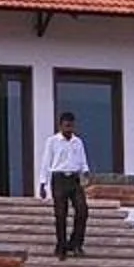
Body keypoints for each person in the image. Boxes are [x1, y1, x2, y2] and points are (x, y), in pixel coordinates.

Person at [38, 109, 92, 258]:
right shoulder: (52, 141)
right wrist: (43, 183)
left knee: (82, 211)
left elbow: (82, 161)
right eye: (66, 126)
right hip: (59, 179)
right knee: (61, 214)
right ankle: (61, 246)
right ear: (60, 126)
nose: (69, 129)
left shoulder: (78, 142)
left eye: (71, 126)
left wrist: (86, 172)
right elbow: (46, 162)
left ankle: (76, 244)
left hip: (74, 180)